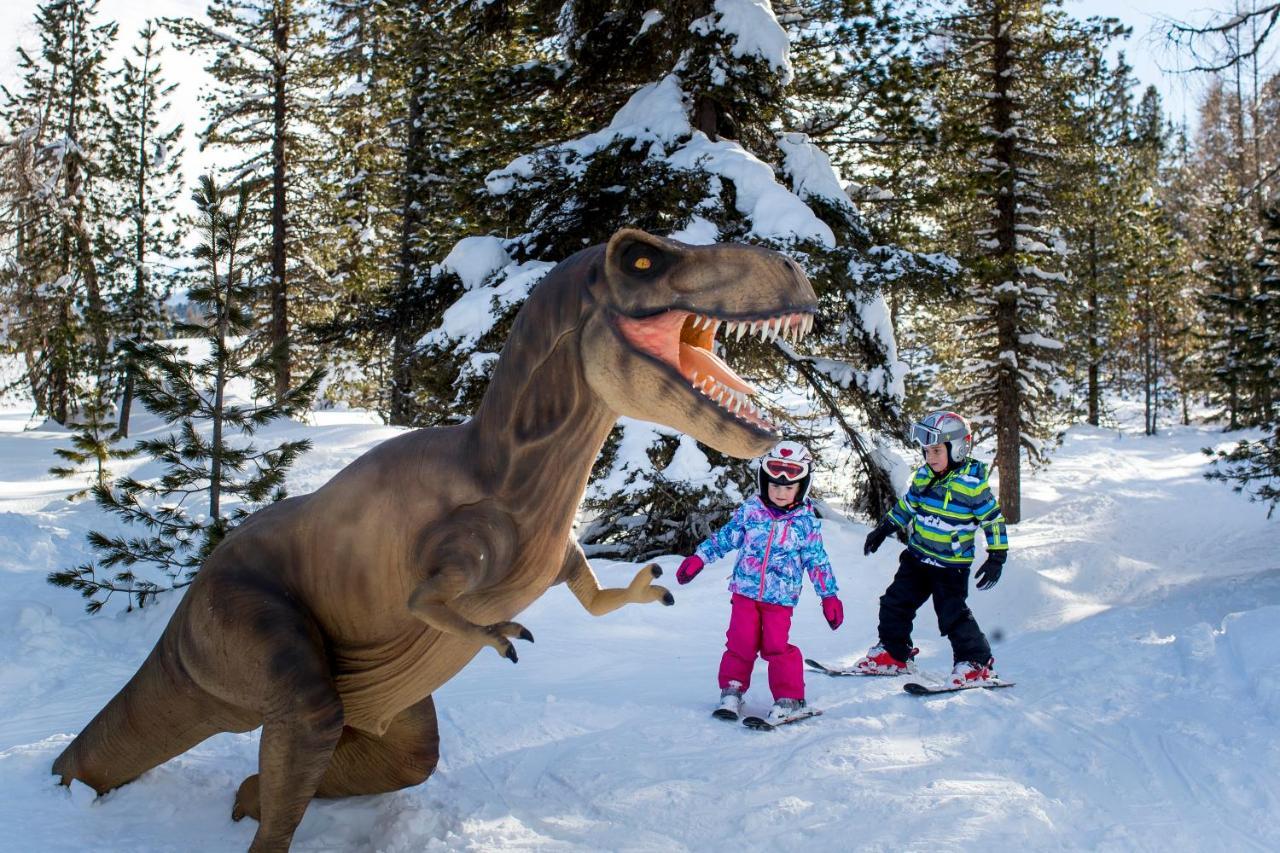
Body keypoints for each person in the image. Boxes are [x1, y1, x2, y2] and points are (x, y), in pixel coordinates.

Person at [676, 440, 842, 723]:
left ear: (802, 486)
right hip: (745, 592)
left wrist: (828, 595)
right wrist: (700, 557)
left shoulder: (805, 523)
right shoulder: (751, 511)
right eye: (774, 485)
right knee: (739, 643)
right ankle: (732, 690)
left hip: (780, 599)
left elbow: (817, 561)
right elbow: (726, 537)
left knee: (776, 648)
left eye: (788, 487)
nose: (779, 492)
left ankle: (789, 699)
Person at [855, 410, 1008, 687]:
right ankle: (894, 652)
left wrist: (997, 555)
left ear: (958, 448)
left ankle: (975, 662)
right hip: (917, 558)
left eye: (937, 450)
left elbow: (992, 519)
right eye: (927, 451)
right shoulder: (925, 476)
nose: (930, 457)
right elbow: (908, 505)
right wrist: (885, 527)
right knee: (894, 603)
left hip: (951, 566)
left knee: (952, 614)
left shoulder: (972, 485)